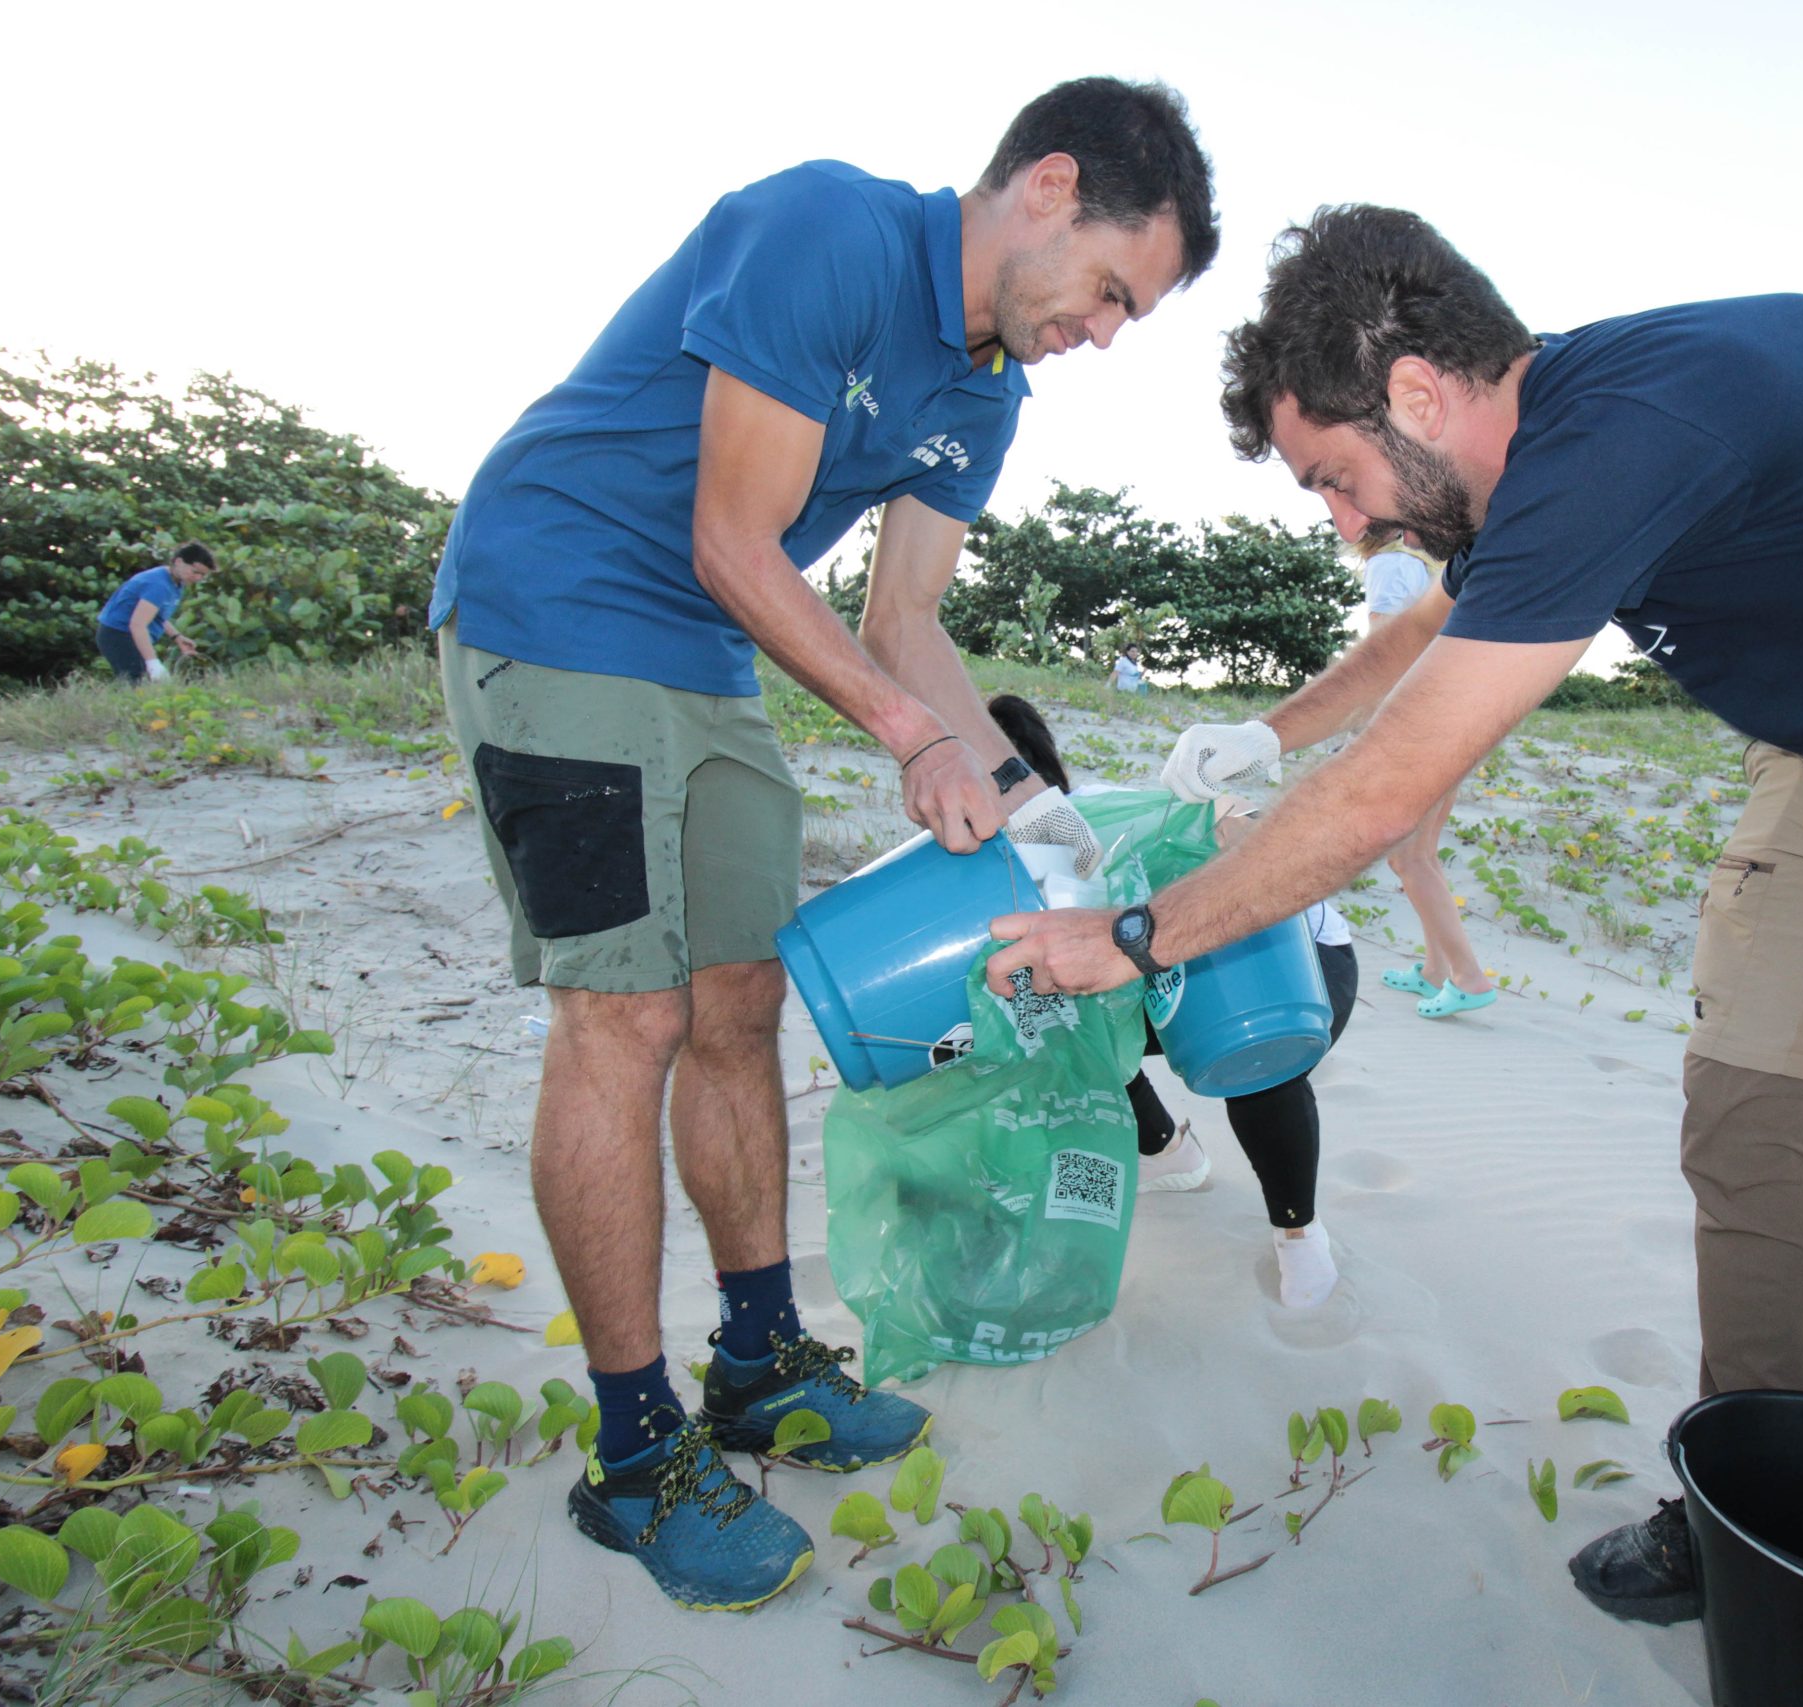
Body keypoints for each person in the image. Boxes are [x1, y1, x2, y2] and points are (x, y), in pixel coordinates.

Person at [988, 206, 1803, 1706]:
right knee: (1757, 1126)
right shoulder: (1528, 459)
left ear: (1422, 397)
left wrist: (1138, 934)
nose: (1347, 524)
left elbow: (1396, 788)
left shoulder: (1638, 427)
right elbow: (1416, 645)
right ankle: (1752, 1520)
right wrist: (1269, 728)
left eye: (1337, 477)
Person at [426, 79, 1216, 1612]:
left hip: (712, 656)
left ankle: (756, 1357)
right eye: (1116, 289)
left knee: (737, 1002)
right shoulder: (828, 231)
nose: (1108, 331)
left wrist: (1036, 808)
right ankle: (636, 1451)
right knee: (626, 1014)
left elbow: (901, 622)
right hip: (563, 597)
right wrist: (909, 739)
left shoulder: (984, 394)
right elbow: (734, 534)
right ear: (1048, 186)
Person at [987, 693, 1355, 1307]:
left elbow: (1244, 824)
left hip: (1290, 962)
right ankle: (1165, 1152)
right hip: (1159, 974)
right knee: (1056, 1016)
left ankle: (1300, 1232)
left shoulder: (1097, 817)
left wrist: (1229, 818)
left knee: (1251, 1050)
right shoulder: (987, 873)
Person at [1360, 542, 1495, 1018]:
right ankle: (1438, 970)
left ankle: (1467, 977)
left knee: (1408, 858)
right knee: (1420, 856)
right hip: (1458, 715)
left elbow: (1386, 654)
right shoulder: (1430, 564)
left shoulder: (1388, 563)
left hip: (1424, 723)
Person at [94, 544, 213, 683]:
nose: (198, 578)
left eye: (203, 575)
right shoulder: (158, 584)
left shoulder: (176, 582)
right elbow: (137, 624)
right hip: (119, 635)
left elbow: (156, 615)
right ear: (178, 562)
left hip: (132, 634)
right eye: (195, 572)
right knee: (138, 683)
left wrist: (176, 636)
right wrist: (152, 663)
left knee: (145, 683)